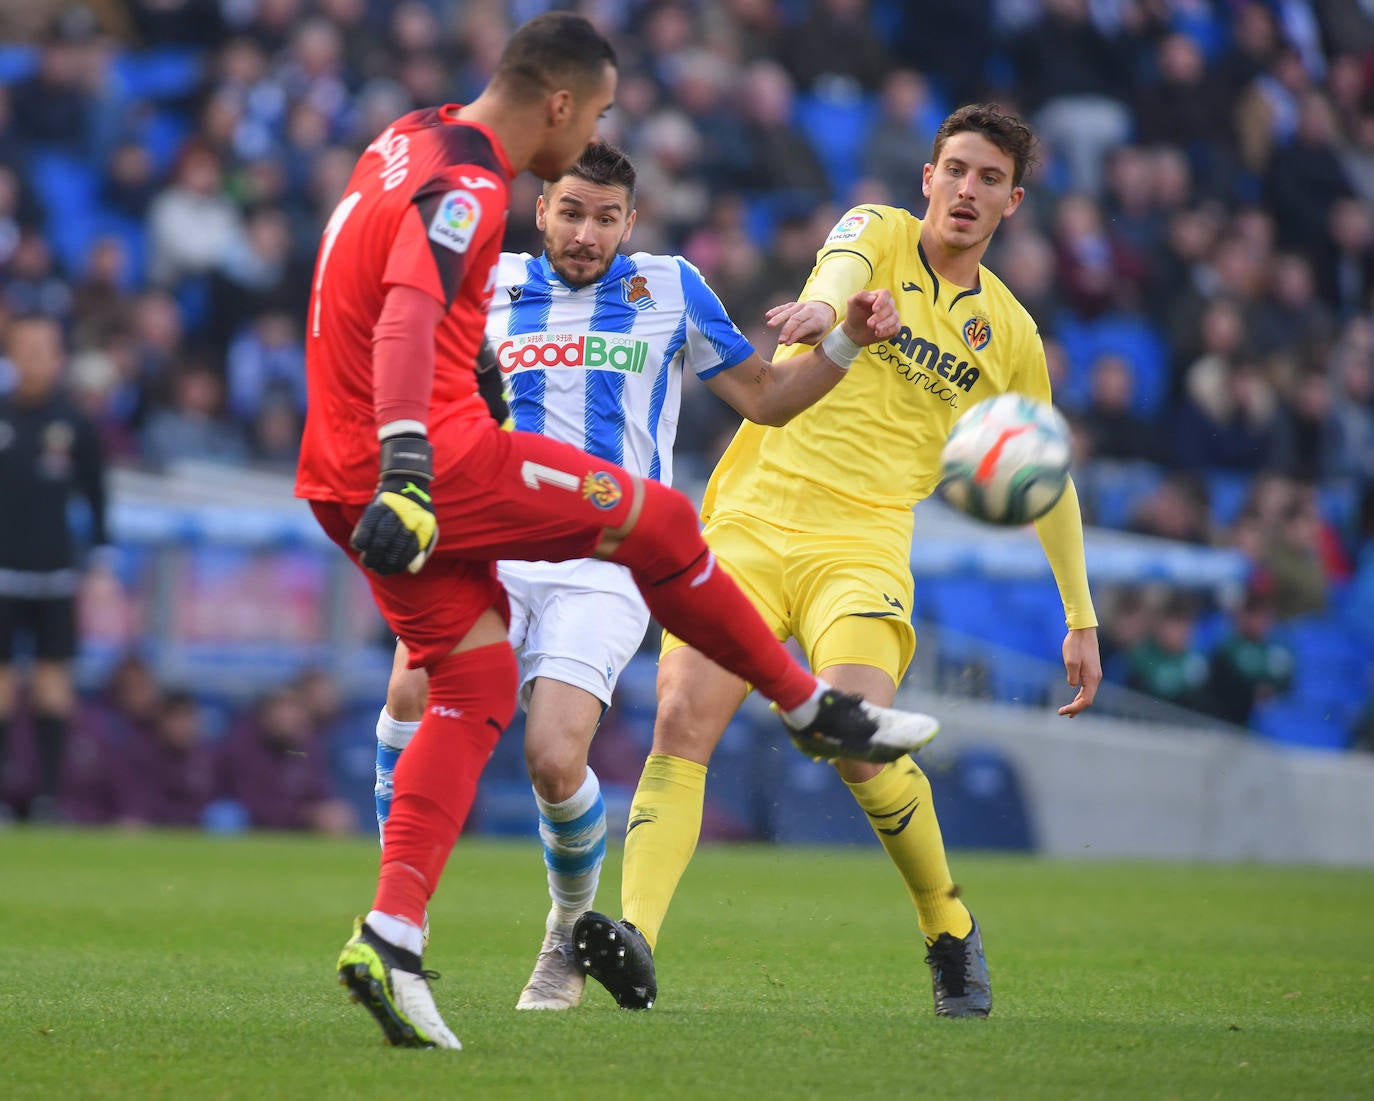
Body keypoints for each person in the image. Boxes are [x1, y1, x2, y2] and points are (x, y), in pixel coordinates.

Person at [294, 12, 939, 1051]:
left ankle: (545, 925)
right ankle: (402, 912)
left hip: (589, 564)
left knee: (553, 756)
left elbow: (767, 401)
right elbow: (418, 326)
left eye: (608, 217)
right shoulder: (488, 259)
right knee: (425, 683)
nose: (587, 232)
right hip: (490, 512)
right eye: (570, 210)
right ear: (541, 200)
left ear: (631, 219)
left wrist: (850, 350)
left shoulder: (668, 287)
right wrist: (421, 446)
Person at [574, 104, 1103, 1020]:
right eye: (956, 170)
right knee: (680, 718)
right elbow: (839, 272)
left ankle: (948, 925)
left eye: (989, 179)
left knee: (854, 739)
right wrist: (824, 310)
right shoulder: (874, 231)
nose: (967, 190)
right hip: (747, 522)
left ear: (1013, 202)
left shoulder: (1011, 336)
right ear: (925, 179)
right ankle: (637, 940)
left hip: (862, 543)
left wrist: (1080, 615)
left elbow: (1043, 478)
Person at [0, 314, 110, 823]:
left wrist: (102, 558)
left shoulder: (75, 423)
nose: (35, 357)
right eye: (25, 347)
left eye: (44, 347)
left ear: (59, 355)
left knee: (51, 684)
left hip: (55, 573)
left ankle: (46, 797)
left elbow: (97, 493)